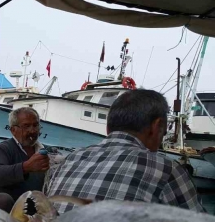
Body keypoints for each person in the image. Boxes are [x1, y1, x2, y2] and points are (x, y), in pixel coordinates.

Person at [46, 89, 205, 213]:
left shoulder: (69, 160)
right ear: (156, 127)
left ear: (108, 128)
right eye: (163, 134)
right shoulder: (167, 169)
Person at [0, 107, 50, 212]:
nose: (32, 131)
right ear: (13, 130)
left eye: (35, 125)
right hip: (7, 213)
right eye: (26, 126)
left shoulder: (45, 151)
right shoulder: (2, 149)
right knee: (3, 199)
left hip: (33, 212)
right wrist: (26, 167)